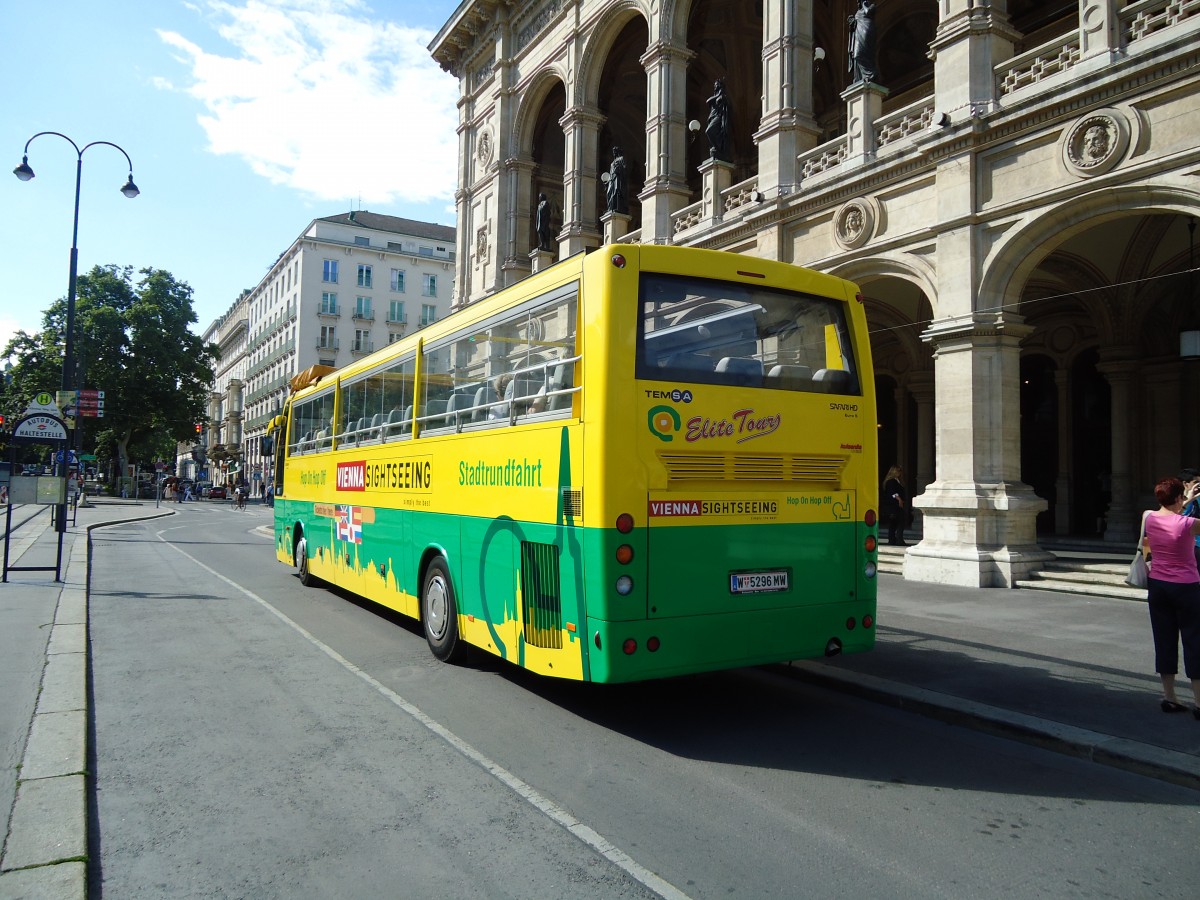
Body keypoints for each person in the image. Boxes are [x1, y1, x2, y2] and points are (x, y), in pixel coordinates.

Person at [1140, 475, 1200, 716]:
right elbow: (1180, 517)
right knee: (1194, 642)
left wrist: (1183, 500)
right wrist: (1189, 500)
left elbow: (1164, 512)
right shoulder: (1189, 524)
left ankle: (1169, 696)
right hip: (1186, 587)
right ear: (1179, 497)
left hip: (1158, 586)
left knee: (1164, 640)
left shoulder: (1148, 517)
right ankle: (1199, 702)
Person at [847, 0, 878, 85]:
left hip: (867, 30)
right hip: (858, 33)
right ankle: (860, 77)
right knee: (856, 55)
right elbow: (855, 24)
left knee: (861, 53)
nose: (858, 2)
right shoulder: (857, 12)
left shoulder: (872, 6)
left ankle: (871, 74)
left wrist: (864, 4)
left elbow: (868, 12)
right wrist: (852, 23)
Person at [882, 464, 908, 546]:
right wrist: (899, 499)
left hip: (894, 506)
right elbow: (892, 492)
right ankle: (898, 540)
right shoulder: (891, 481)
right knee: (900, 522)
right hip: (894, 506)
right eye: (898, 471)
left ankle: (893, 540)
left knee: (893, 524)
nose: (900, 473)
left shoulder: (897, 480)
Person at [705, 78, 730, 161]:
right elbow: (708, 101)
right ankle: (717, 149)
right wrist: (718, 95)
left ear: (719, 86)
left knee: (709, 131)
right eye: (714, 85)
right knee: (710, 132)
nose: (714, 87)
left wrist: (721, 95)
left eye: (716, 85)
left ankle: (717, 149)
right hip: (712, 117)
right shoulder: (716, 97)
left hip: (719, 117)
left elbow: (726, 108)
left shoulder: (723, 97)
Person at [605, 146, 628, 215]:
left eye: (615, 152)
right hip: (612, 180)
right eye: (613, 152)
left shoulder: (621, 158)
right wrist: (607, 182)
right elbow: (610, 172)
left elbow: (625, 168)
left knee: (617, 191)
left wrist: (619, 169)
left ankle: (617, 207)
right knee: (609, 193)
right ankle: (610, 207)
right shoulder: (612, 162)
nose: (614, 153)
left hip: (617, 178)